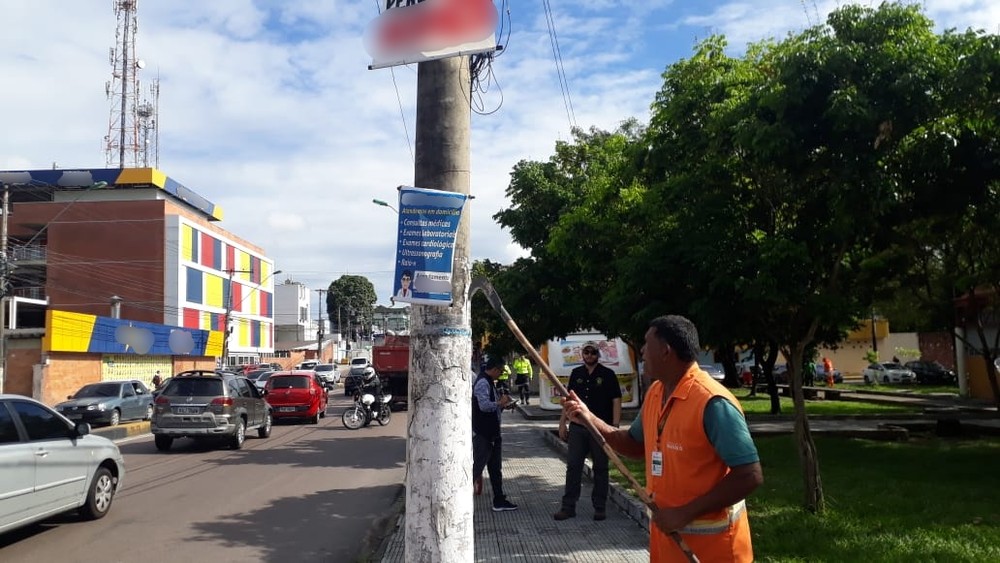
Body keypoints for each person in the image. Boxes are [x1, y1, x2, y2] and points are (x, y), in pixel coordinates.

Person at [562, 315, 762, 562]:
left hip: (711, 548)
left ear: (666, 351)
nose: (643, 351)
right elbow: (634, 445)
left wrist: (684, 514)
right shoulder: (657, 393)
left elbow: (749, 475)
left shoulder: (712, 402)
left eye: (647, 343)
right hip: (668, 542)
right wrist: (589, 418)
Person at [554, 341, 621, 522]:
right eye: (586, 352)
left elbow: (616, 400)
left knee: (600, 467)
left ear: (598, 355)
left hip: (600, 429)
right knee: (573, 466)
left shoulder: (608, 374)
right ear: (582, 354)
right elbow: (568, 401)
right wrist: (562, 423)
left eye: (593, 352)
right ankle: (568, 507)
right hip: (578, 428)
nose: (589, 355)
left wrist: (615, 427)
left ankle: (600, 507)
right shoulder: (576, 374)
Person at [471, 356, 519, 511]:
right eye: (501, 371)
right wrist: (500, 403)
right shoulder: (483, 382)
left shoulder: (490, 382)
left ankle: (499, 499)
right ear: (495, 369)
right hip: (484, 434)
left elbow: (494, 406)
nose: (501, 374)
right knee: (476, 468)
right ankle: (457, 499)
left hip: (493, 433)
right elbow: (484, 406)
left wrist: (504, 405)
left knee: (495, 469)